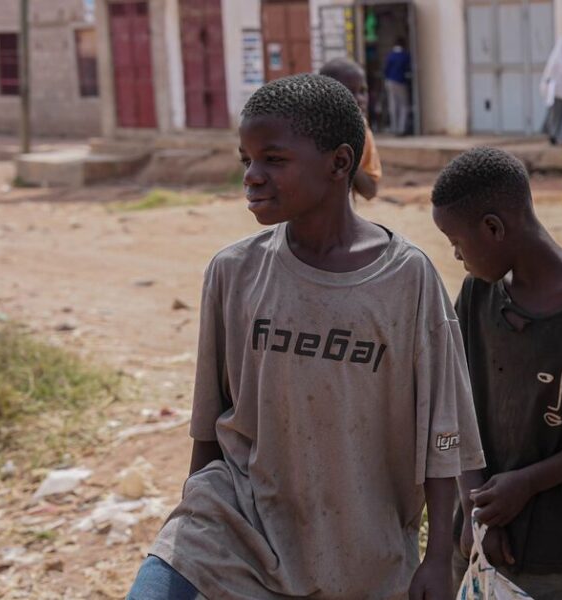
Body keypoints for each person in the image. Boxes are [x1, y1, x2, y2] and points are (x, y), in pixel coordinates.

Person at [125, 73, 484, 600]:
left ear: (340, 164)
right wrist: (186, 539)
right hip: (232, 522)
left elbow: (444, 428)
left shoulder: (406, 280)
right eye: (245, 159)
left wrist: (436, 558)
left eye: (273, 159)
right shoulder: (233, 271)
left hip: (356, 549)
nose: (251, 176)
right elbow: (209, 423)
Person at [430, 147, 562, 599]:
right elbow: (456, 404)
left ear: (493, 228)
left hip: (552, 549)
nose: (458, 257)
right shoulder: (478, 296)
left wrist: (527, 484)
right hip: (474, 532)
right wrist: (477, 510)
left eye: (457, 244)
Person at [319, 58, 382, 200]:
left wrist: (349, 155)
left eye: (363, 91)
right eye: (349, 91)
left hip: (342, 218)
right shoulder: (303, 129)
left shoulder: (361, 131)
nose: (360, 99)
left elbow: (370, 191)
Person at [383, 38, 412, 136]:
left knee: (393, 105)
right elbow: (408, 68)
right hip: (400, 81)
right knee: (403, 106)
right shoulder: (405, 55)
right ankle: (401, 129)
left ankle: (394, 128)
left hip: (390, 81)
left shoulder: (390, 55)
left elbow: (386, 69)